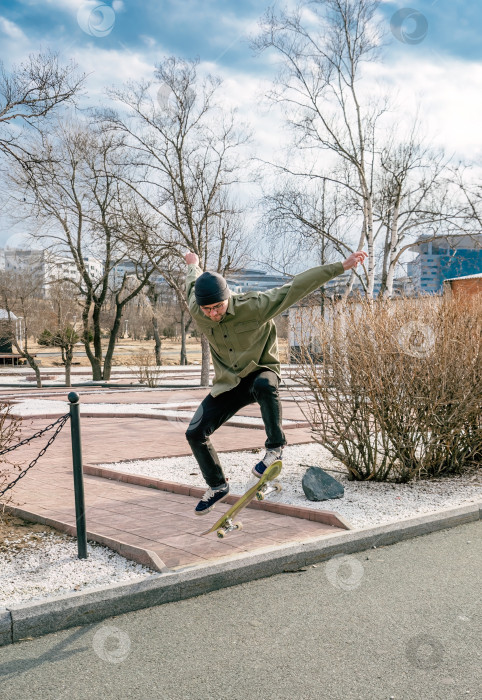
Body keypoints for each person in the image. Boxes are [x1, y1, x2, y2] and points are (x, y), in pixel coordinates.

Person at [184, 249, 368, 514]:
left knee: (264, 385)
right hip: (230, 383)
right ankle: (217, 485)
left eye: (218, 307)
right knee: (194, 433)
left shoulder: (255, 305)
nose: (213, 314)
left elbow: (296, 287)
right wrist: (193, 264)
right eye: (208, 310)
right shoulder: (197, 308)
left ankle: (275, 448)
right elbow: (192, 282)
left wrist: (340, 266)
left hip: (261, 371)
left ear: (228, 298)